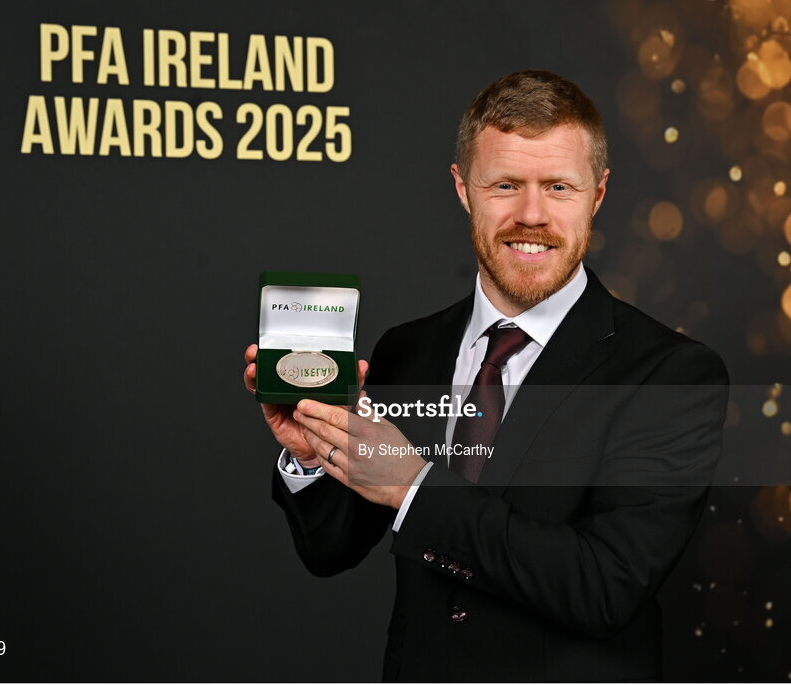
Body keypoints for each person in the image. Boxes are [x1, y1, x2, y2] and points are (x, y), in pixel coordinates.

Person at [243, 70, 729, 682]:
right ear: (462, 189)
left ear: (598, 194)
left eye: (558, 186)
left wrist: (413, 486)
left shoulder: (672, 377)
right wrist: (313, 454)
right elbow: (331, 550)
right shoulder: (409, 349)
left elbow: (603, 587)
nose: (532, 215)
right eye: (504, 184)